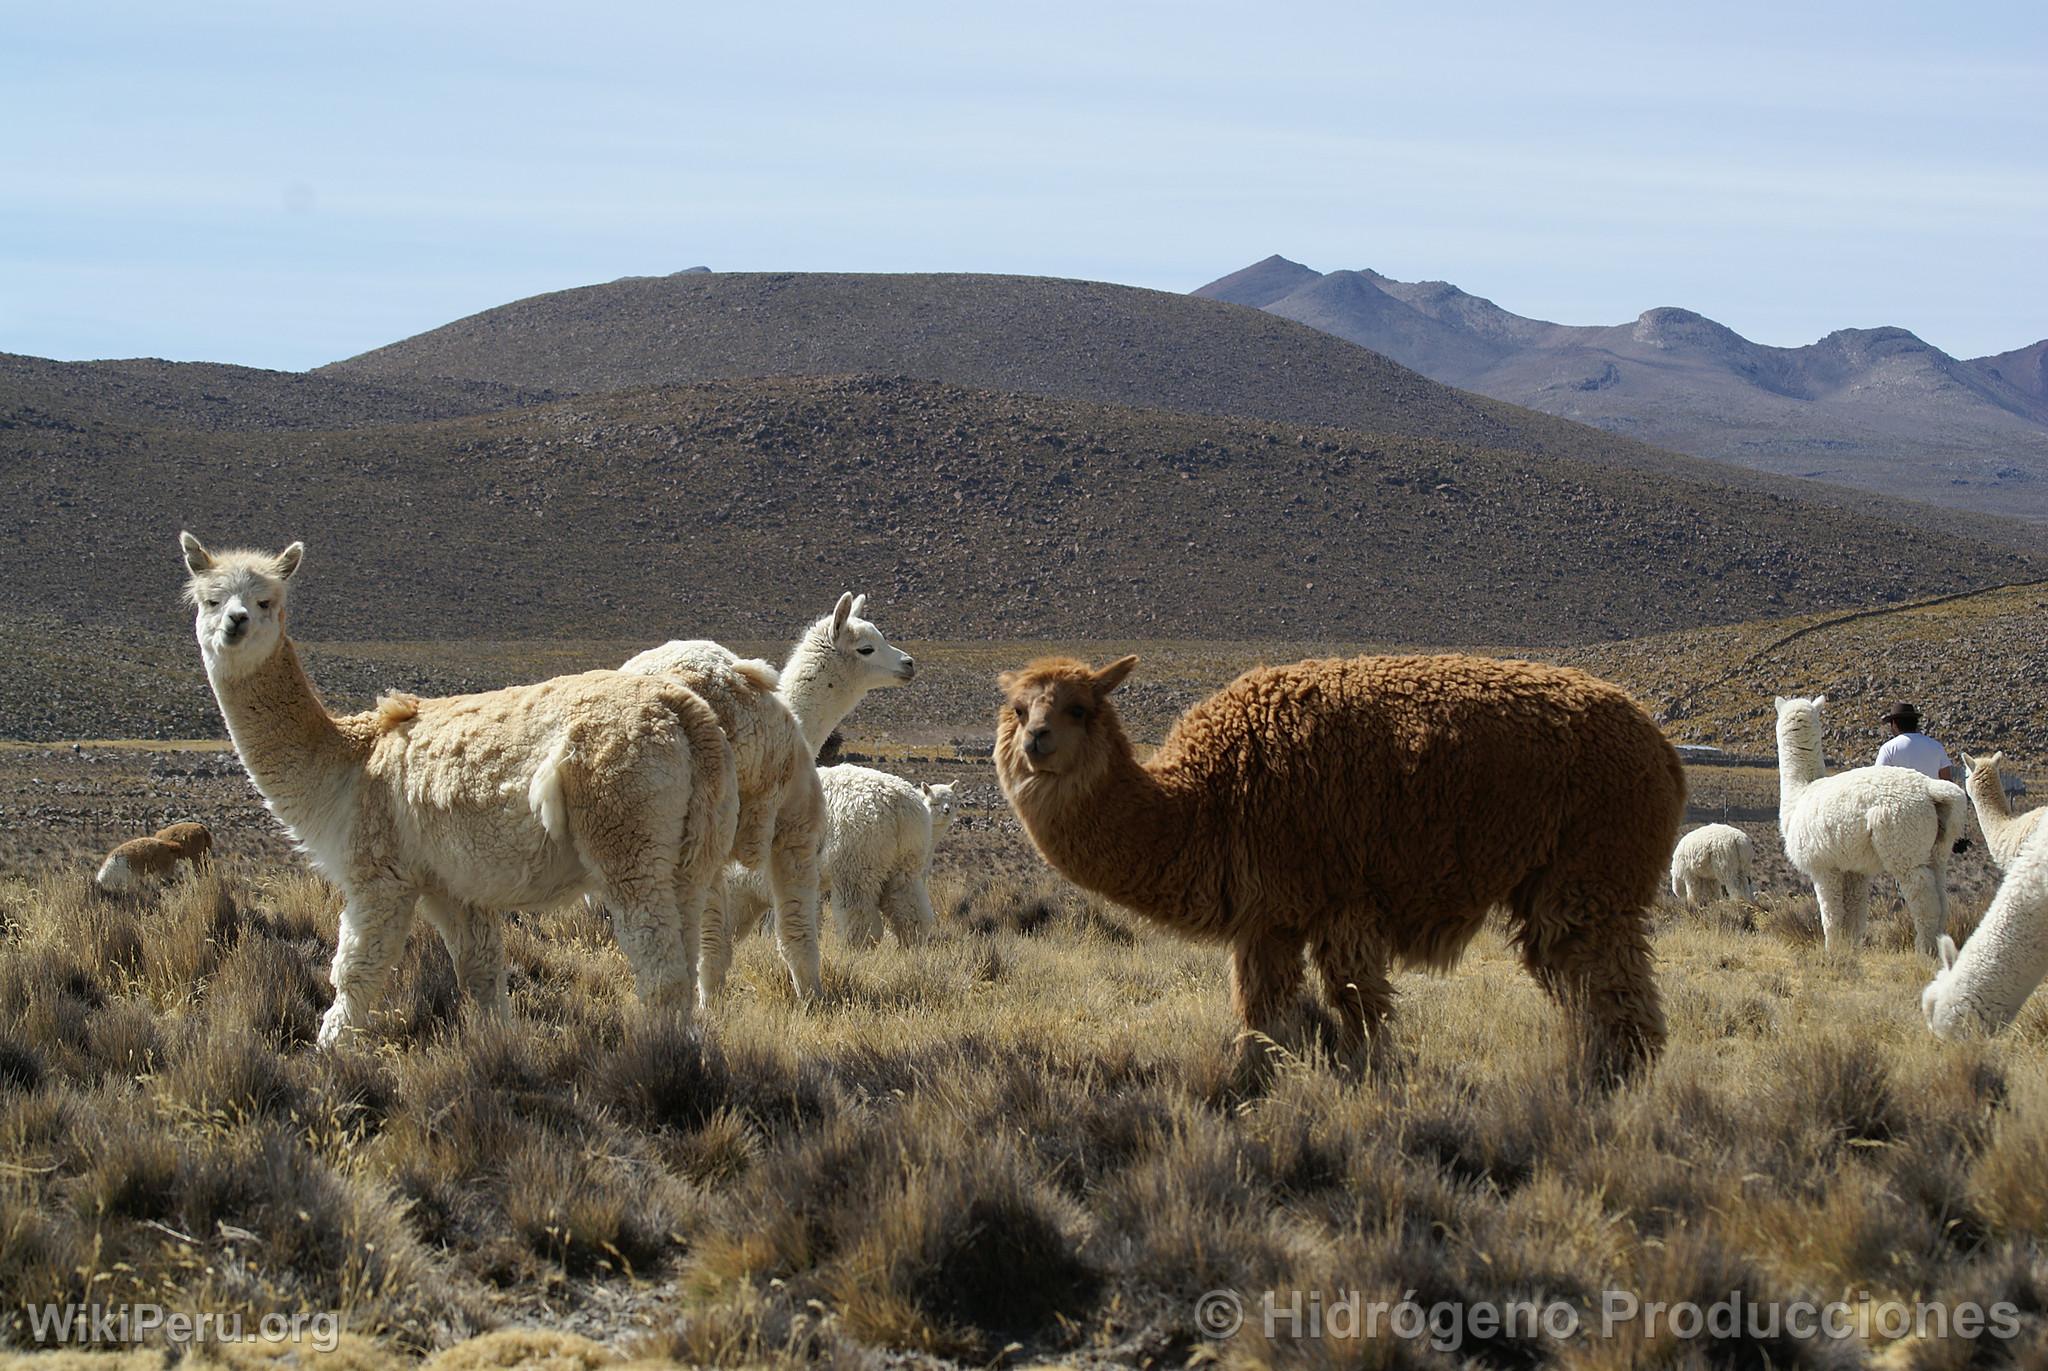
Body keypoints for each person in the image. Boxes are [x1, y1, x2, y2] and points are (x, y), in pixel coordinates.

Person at [1875, 702, 1955, 781]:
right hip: (1930, 793)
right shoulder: (1936, 746)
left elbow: (1879, 779)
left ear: (1894, 724)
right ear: (1915, 723)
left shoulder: (1888, 749)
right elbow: (1947, 780)